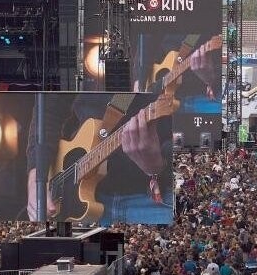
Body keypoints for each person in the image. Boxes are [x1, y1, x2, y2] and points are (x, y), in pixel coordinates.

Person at [26, 93, 174, 225]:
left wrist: (160, 165)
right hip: (77, 201)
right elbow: (49, 107)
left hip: (155, 200)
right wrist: (36, 174)